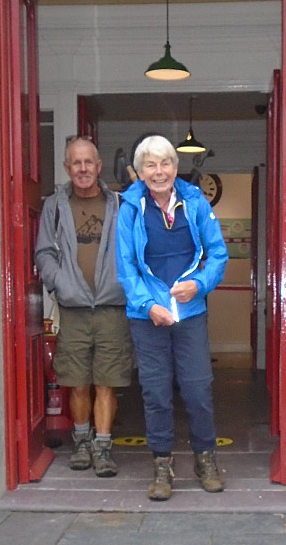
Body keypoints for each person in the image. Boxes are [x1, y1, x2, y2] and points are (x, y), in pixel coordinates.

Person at [115, 134, 228, 501]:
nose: (159, 171)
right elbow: (125, 265)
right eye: (151, 164)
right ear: (140, 171)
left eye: (165, 163)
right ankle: (161, 464)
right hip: (146, 315)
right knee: (157, 393)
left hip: (190, 312)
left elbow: (219, 254)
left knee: (198, 389)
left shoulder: (195, 202)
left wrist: (199, 284)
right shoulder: (130, 208)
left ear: (175, 169)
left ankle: (205, 458)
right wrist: (149, 306)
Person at [35, 136, 133, 478]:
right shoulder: (54, 205)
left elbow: (135, 249)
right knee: (77, 381)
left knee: (106, 381)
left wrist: (125, 283)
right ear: (66, 168)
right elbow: (44, 252)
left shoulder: (120, 204)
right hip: (74, 307)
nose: (82, 169)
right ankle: (81, 443)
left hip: (111, 306)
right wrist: (60, 284)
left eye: (88, 162)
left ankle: (103, 448)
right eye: (75, 163)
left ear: (99, 165)